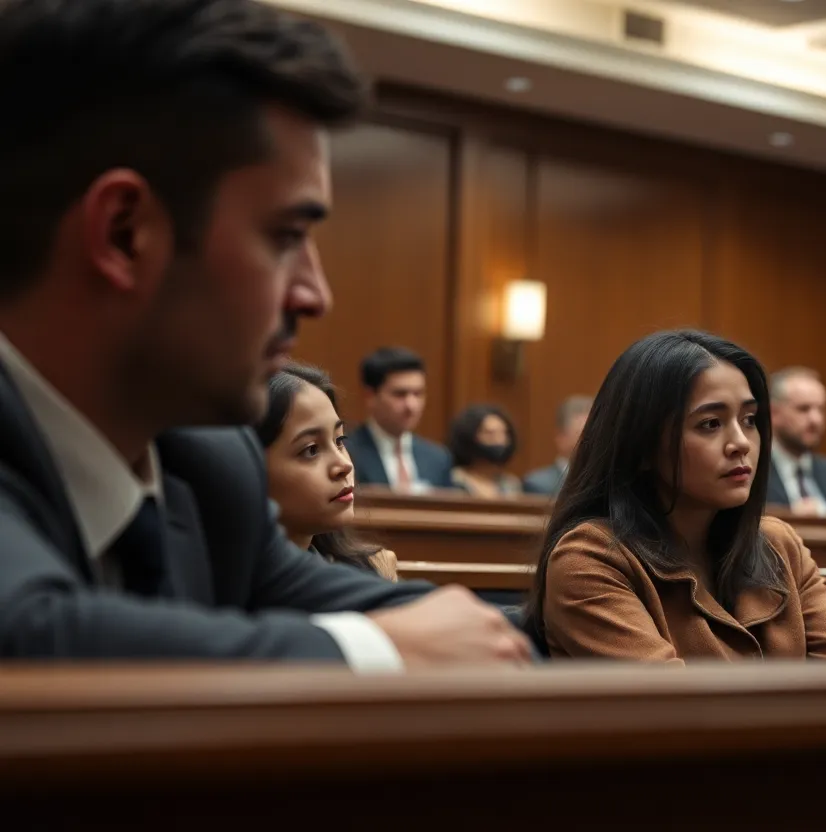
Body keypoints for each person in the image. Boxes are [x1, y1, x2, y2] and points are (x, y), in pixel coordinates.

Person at [0, 0, 531, 665]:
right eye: (285, 238)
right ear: (125, 235)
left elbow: (419, 624)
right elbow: (27, 637)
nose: (315, 295)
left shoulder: (208, 464)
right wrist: (374, 650)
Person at [527, 329, 826, 663]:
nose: (741, 443)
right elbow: (678, 706)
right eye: (710, 424)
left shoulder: (779, 544)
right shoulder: (589, 559)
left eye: (749, 419)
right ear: (642, 447)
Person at [256, 363, 397, 581]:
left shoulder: (372, 572)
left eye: (339, 441)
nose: (344, 465)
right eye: (311, 450)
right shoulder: (218, 589)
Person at [347, 347, 452, 491]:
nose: (411, 405)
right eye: (400, 394)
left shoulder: (438, 458)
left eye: (418, 394)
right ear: (370, 396)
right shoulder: (348, 452)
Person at [765, 367, 826, 514]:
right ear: (774, 413)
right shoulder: (755, 472)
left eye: (821, 409)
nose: (816, 420)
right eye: (803, 409)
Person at [523, 396, 593, 496]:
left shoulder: (607, 482)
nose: (591, 441)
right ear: (561, 437)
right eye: (583, 434)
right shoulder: (538, 485)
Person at [448, 405, 523, 498]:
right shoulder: (453, 480)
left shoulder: (511, 485)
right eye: (489, 433)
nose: (499, 440)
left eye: (504, 433)